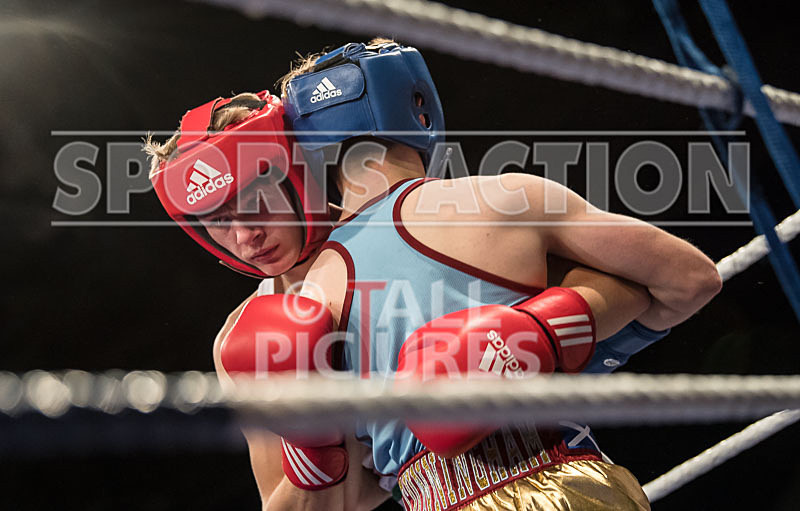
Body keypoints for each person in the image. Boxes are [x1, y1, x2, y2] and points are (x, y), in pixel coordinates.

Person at [144, 91, 668, 508]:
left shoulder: (422, 225)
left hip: (560, 472)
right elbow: (325, 498)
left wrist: (541, 337)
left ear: (292, 169)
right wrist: (310, 450)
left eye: (254, 200)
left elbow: (649, 284)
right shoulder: (240, 341)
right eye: (219, 221)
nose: (244, 235)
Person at [268, 39, 719, 510]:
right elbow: (691, 279)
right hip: (559, 479)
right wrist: (553, 339)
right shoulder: (506, 199)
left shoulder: (305, 295)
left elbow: (348, 494)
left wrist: (310, 453)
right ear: (415, 101)